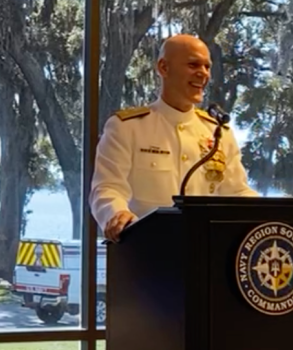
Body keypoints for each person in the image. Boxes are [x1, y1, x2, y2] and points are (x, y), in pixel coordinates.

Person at [90, 34, 259, 242]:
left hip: (207, 253)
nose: (203, 74)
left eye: (207, 67)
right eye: (193, 64)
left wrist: (269, 216)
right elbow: (107, 188)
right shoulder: (126, 128)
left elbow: (237, 193)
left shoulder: (218, 133)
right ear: (163, 68)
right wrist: (115, 214)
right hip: (144, 252)